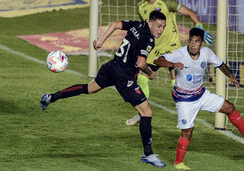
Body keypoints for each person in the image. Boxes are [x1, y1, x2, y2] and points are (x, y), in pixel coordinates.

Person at [40, 10, 167, 168]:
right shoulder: (148, 38)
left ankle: (51, 97)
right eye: (159, 26)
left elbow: (114, 24)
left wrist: (100, 42)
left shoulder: (137, 24)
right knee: (146, 112)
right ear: (150, 23)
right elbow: (141, 64)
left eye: (163, 27)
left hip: (111, 67)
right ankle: (148, 154)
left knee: (89, 88)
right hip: (124, 77)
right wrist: (150, 73)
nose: (161, 30)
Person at [153, 28, 244, 170]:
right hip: (184, 99)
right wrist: (173, 64)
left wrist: (230, 75)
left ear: (202, 43)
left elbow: (220, 65)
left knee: (229, 107)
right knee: (187, 132)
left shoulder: (207, 53)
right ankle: (178, 163)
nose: (193, 44)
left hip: (201, 94)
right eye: (191, 41)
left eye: (197, 41)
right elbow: (158, 60)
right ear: (188, 41)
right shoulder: (179, 53)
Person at [126, 0, 213, 126]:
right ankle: (141, 113)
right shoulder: (141, 7)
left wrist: (200, 29)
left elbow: (190, 13)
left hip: (173, 49)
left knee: (177, 85)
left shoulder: (167, 3)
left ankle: (187, 117)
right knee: (142, 79)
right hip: (154, 50)